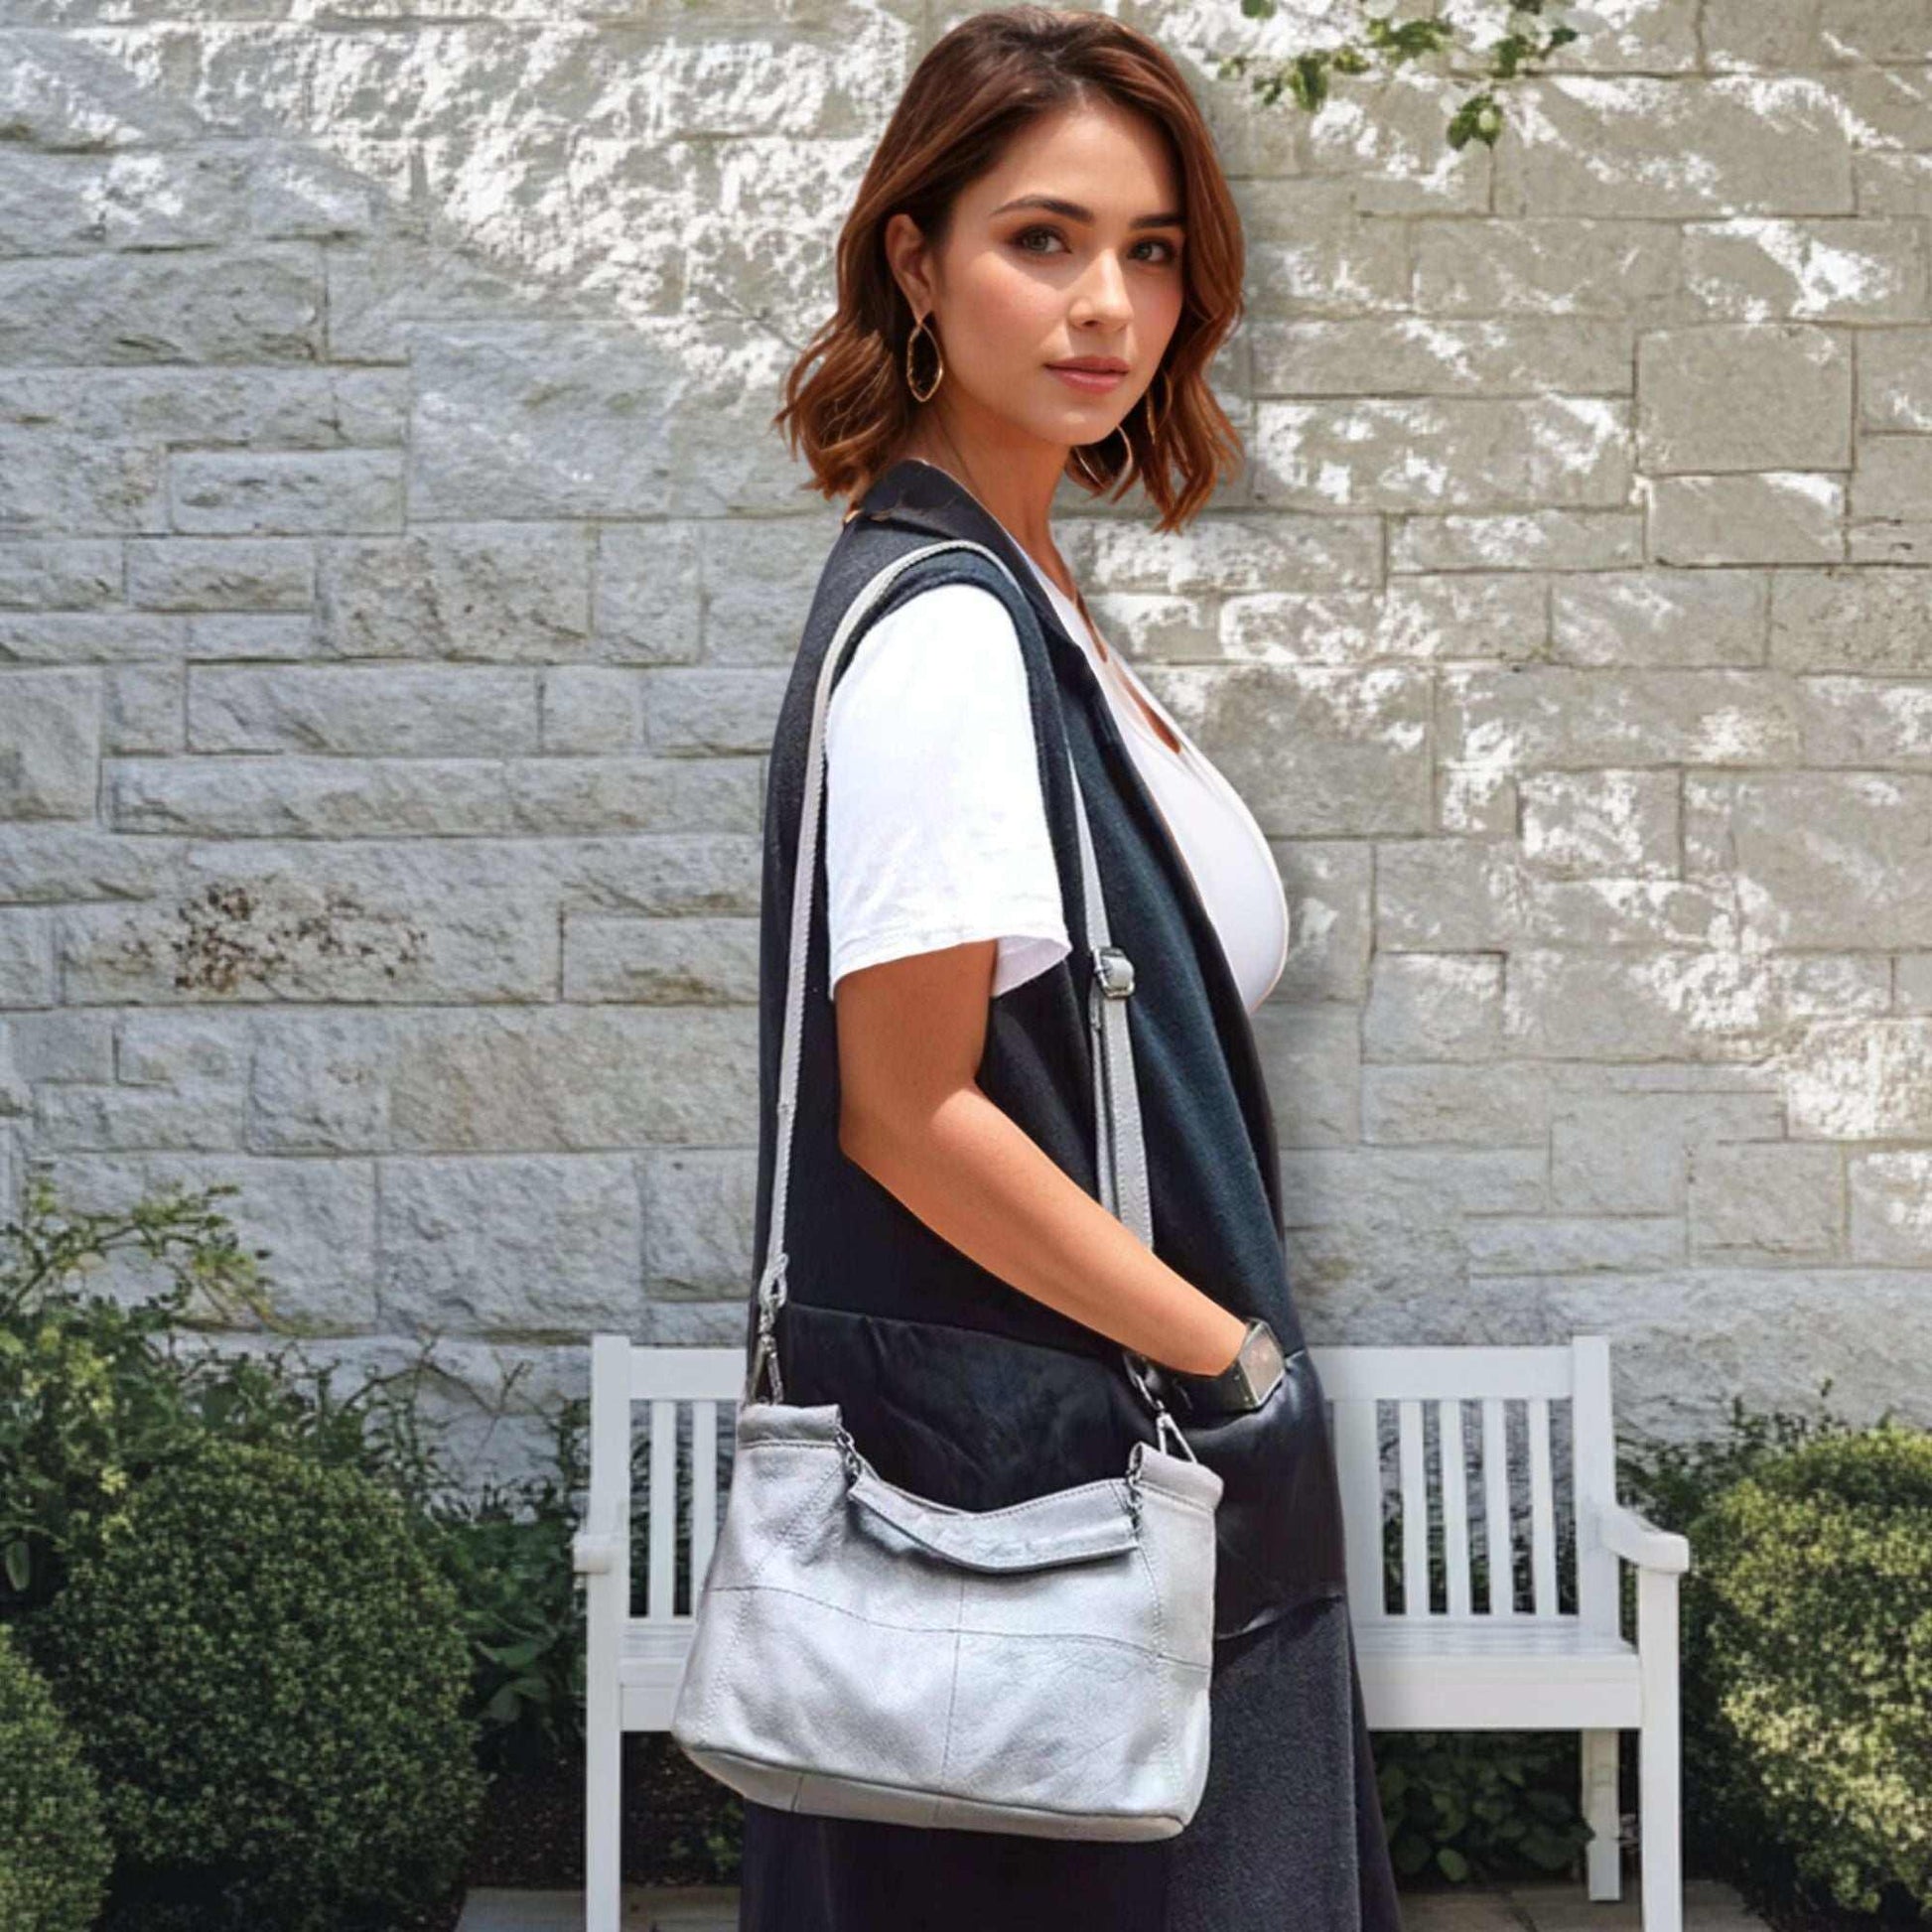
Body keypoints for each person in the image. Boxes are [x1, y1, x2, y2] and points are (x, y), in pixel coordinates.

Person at [732, 8, 1405, 1927]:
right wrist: (1232, 1363)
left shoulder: (1021, 599)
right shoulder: (947, 635)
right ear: (914, 260)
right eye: (1042, 238)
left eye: (1154, 247)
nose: (1108, 300)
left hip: (1120, 1487)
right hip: (1070, 1507)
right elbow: (909, 1107)